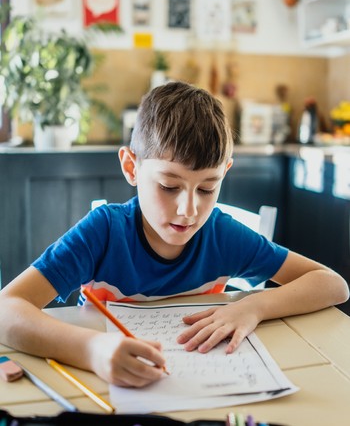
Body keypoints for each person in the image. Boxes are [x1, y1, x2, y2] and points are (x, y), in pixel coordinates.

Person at [0, 82, 348, 389]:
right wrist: (91, 349)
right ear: (131, 167)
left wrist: (254, 305)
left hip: (199, 385)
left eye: (208, 188)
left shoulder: (222, 235)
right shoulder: (104, 231)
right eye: (169, 186)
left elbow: (332, 284)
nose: (189, 210)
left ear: (225, 173)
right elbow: (7, 309)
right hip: (103, 384)